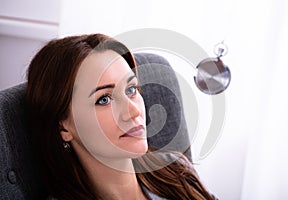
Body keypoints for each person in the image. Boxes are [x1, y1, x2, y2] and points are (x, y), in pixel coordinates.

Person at [26, 33, 217, 200]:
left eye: (131, 89)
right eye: (104, 100)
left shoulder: (177, 172)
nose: (133, 111)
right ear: (63, 127)